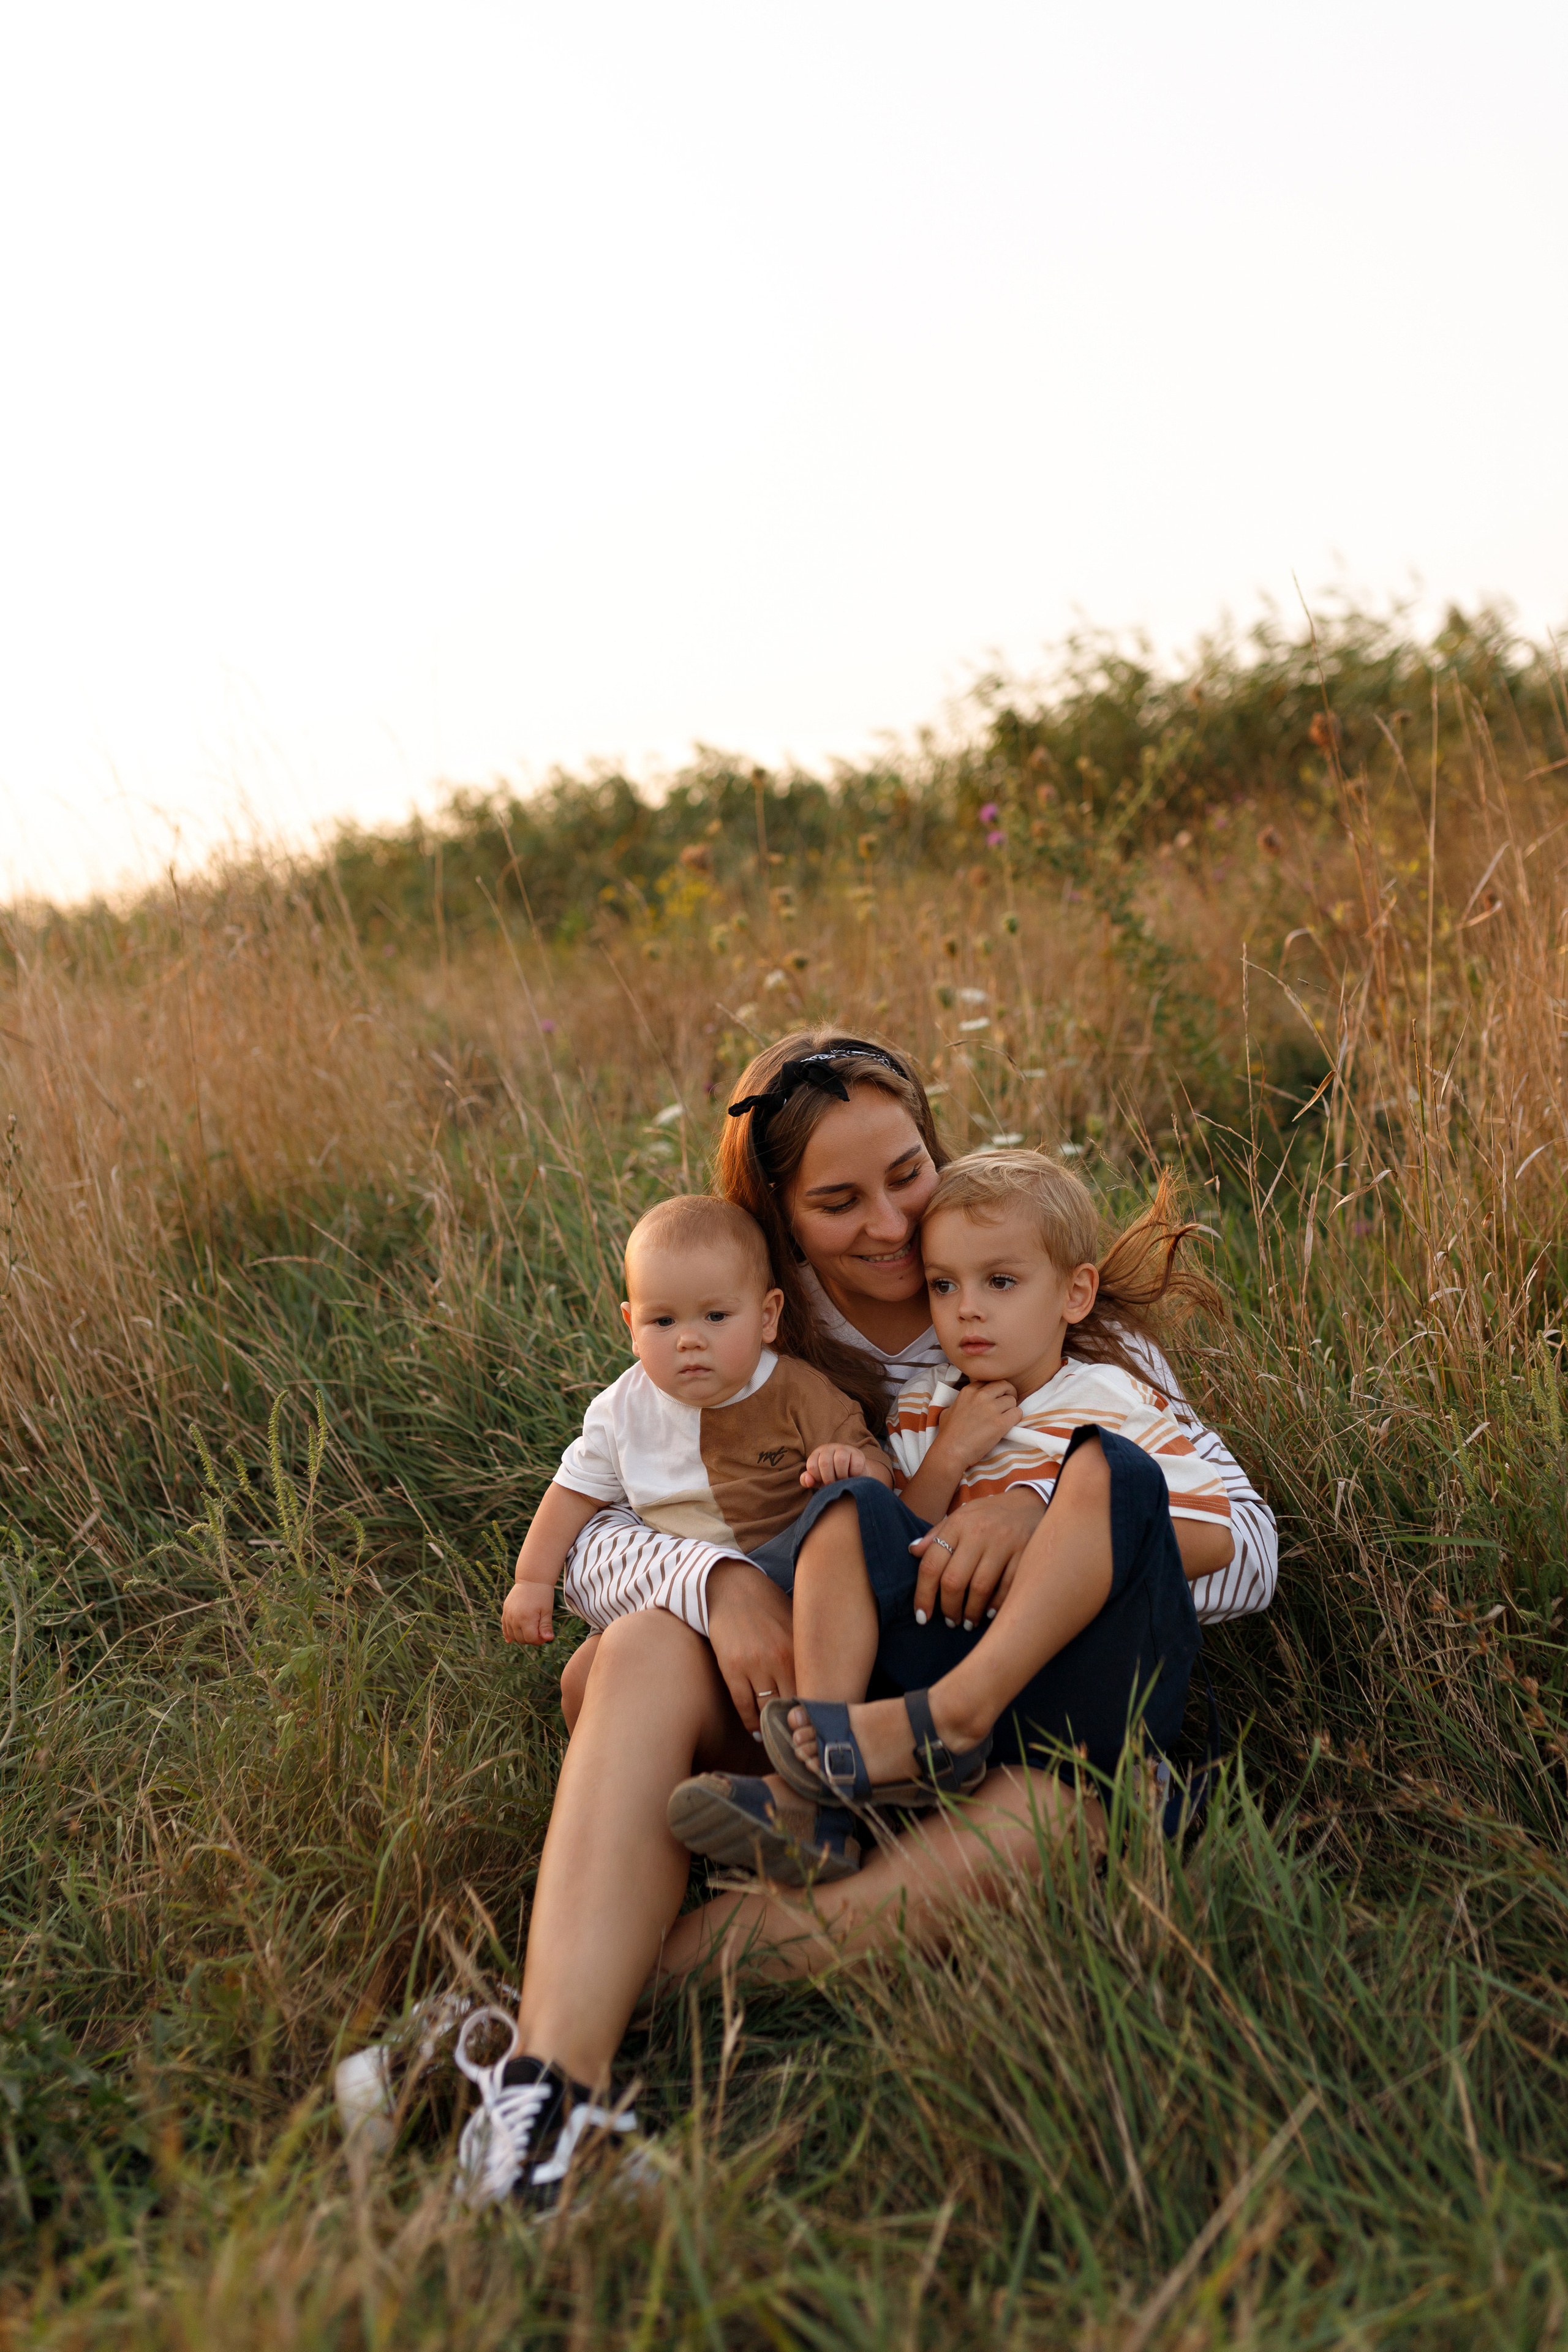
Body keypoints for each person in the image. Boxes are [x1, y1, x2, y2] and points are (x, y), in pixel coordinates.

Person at [450, 1034, 1276, 2211]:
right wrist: (719, 1585)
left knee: (1053, 1827)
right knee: (627, 1652)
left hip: (1001, 1721)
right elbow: (588, 1541)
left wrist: (1037, 1524)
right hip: (804, 1706)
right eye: (839, 1203)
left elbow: (1248, 1548)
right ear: (780, 1225)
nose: (891, 1225)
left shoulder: (1062, 1317)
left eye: (906, 1174)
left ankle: (560, 2008)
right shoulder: (741, 1332)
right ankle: (547, 2101)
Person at [723, 1147, 1232, 1825]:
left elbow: (1211, 1539)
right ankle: (824, 1782)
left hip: (1076, 1674)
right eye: (943, 1285)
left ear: (1075, 1294)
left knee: (1110, 1468)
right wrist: (948, 1458)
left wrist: (1043, 1520)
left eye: (1000, 1281)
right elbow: (897, 1549)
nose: (967, 1310)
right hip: (937, 1657)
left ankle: (942, 1725)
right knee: (848, 1506)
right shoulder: (923, 1407)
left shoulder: (1111, 1399)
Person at [499, 1191, 892, 1675]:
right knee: (582, 1676)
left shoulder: (798, 1391)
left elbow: (876, 1473)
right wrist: (533, 1581)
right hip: (682, 1591)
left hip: (793, 1582)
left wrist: (853, 1466)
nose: (689, 1339)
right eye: (663, 1321)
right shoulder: (620, 1411)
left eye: (716, 1316)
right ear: (632, 1327)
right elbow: (571, 1495)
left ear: (767, 1316)